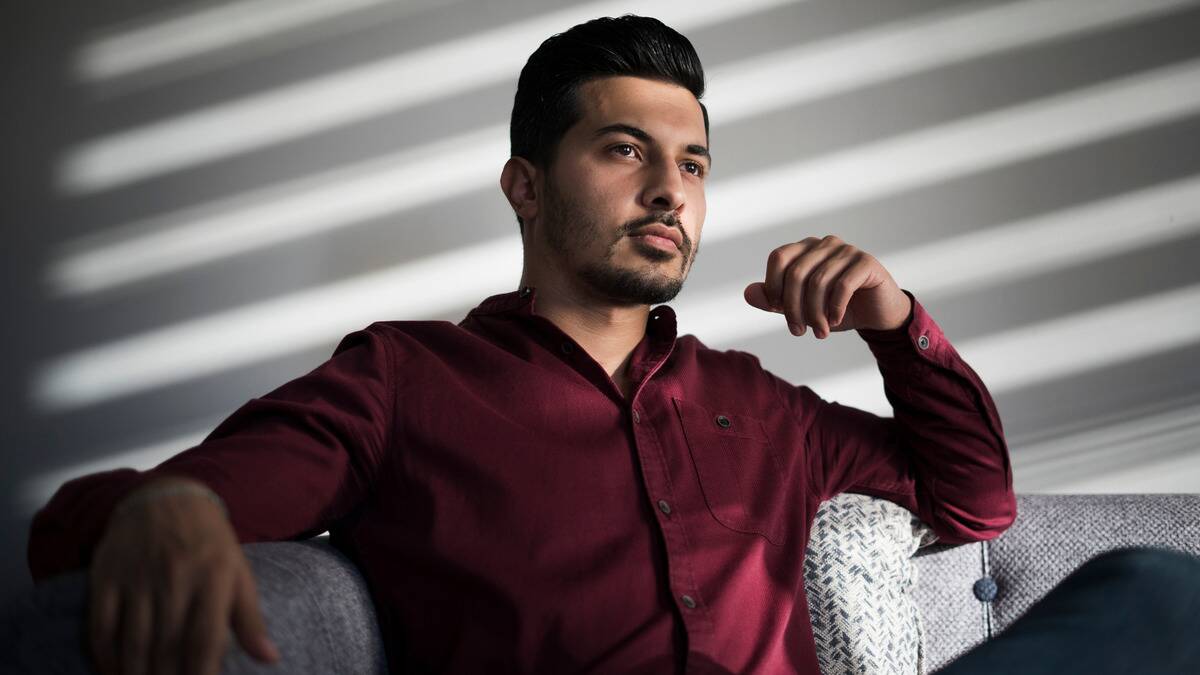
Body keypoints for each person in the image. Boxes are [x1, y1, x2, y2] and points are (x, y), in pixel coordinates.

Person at [29, 13, 1182, 675]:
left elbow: (975, 505)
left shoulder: (756, 401)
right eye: (624, 151)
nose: (668, 191)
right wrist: (154, 504)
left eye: (691, 165)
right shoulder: (401, 381)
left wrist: (896, 322)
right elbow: (98, 528)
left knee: (1151, 591)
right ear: (525, 187)